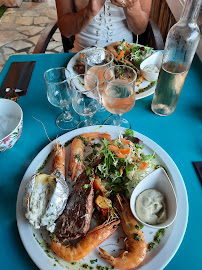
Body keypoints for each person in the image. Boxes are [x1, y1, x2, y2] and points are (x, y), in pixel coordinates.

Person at [56, 0, 152, 52]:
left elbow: (139, 29)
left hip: (125, 54)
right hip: (82, 54)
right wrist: (89, 12)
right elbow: (65, 31)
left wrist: (131, 6)